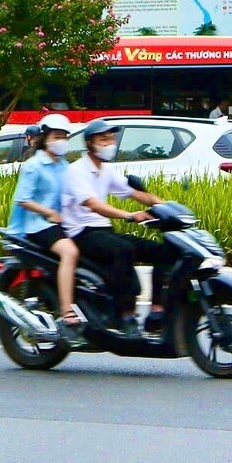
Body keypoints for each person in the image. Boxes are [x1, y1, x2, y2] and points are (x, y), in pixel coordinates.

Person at [61, 117, 172, 336]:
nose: (110, 143)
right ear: (90, 144)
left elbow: (132, 192)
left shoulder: (106, 170)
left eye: (111, 138)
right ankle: (125, 316)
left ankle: (157, 311)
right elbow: (93, 205)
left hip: (103, 231)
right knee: (124, 250)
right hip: (82, 233)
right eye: (104, 139)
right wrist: (129, 215)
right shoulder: (76, 171)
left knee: (162, 251)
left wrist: (165, 206)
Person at [6, 112, 84, 335]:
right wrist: (48, 212)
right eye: (56, 136)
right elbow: (23, 200)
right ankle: (67, 311)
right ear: (45, 138)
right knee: (70, 253)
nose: (61, 141)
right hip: (37, 226)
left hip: (59, 224)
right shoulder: (34, 166)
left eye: (64, 137)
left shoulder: (64, 167)